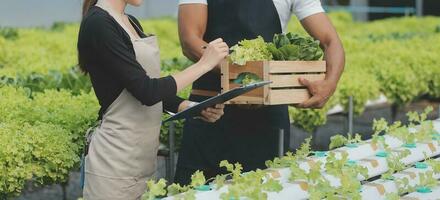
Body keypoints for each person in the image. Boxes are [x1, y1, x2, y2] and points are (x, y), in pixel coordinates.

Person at [175, 0, 345, 185]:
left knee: (265, 189)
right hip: (211, 108)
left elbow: (330, 41)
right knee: (195, 192)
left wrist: (330, 83)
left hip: (267, 113)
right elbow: (190, 40)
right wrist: (244, 74)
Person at [77, 0, 229, 199]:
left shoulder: (130, 22)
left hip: (143, 162)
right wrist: (205, 64)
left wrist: (192, 107)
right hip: (114, 165)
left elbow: (143, 88)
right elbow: (147, 91)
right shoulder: (98, 24)